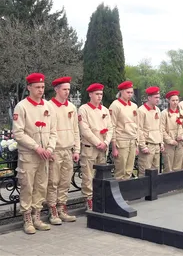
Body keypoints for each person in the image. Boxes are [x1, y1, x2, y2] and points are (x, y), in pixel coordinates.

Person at [13, 73, 57, 234]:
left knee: (41, 186)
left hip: (44, 154)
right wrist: (36, 147)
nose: (40, 90)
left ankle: (37, 216)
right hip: (29, 155)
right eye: (37, 87)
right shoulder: (22, 106)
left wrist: (50, 148)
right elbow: (18, 132)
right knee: (27, 186)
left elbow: (53, 131)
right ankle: (27, 219)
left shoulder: (47, 106)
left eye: (43, 87)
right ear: (29, 88)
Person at [47, 77, 80, 225]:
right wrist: (50, 149)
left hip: (67, 149)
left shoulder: (72, 107)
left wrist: (76, 150)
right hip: (55, 149)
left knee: (65, 181)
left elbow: (76, 130)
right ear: (56, 89)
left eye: (68, 89)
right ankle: (52, 210)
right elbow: (47, 131)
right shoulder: (48, 106)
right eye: (64, 89)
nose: (67, 92)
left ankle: (62, 208)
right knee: (53, 181)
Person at [78, 83, 113, 210]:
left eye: (101, 94)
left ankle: (99, 197)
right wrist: (97, 142)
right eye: (97, 94)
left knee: (101, 175)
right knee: (88, 175)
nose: (99, 96)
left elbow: (110, 128)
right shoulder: (84, 109)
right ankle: (89, 199)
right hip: (90, 147)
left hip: (102, 148)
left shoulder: (104, 110)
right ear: (90, 94)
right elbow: (85, 129)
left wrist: (106, 142)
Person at [109, 81, 138, 180]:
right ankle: (119, 191)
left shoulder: (134, 106)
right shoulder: (115, 105)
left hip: (132, 140)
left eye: (131, 92)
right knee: (120, 170)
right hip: (121, 140)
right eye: (127, 92)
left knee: (129, 169)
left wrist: (137, 142)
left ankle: (127, 191)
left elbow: (136, 125)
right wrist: (114, 147)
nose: (130, 94)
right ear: (121, 91)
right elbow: (112, 126)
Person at [137, 86, 164, 177]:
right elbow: (139, 129)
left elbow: (160, 127)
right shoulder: (141, 110)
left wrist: (161, 142)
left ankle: (154, 190)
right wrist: (142, 145)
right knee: (145, 170)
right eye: (156, 97)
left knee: (156, 170)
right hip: (148, 144)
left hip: (156, 144)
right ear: (149, 98)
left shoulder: (157, 109)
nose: (158, 100)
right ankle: (142, 191)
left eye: (158, 97)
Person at [161, 90, 183, 172]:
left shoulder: (182, 113)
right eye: (173, 100)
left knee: (178, 166)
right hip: (169, 144)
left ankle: (177, 184)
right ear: (169, 101)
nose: (175, 102)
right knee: (168, 167)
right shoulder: (164, 113)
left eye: (177, 100)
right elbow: (162, 130)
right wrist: (170, 141)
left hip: (180, 143)